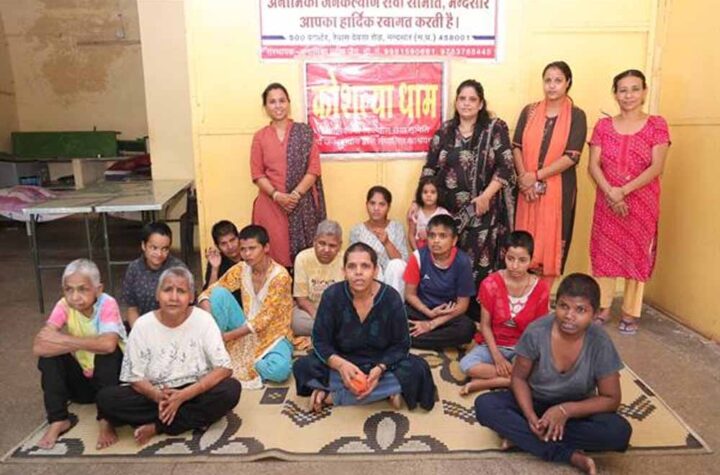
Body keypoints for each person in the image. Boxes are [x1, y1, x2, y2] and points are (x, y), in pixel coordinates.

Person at [474, 274, 632, 475]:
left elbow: (611, 399)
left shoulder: (600, 342)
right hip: (535, 403)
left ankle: (523, 439)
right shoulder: (537, 331)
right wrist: (531, 416)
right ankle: (568, 455)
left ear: (594, 314)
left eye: (580, 310)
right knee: (485, 405)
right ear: (555, 305)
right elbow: (519, 378)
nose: (569, 316)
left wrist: (565, 411)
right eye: (564, 306)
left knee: (619, 432)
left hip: (577, 411)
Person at [97, 267, 241, 446]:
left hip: (194, 390)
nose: (173, 297)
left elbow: (224, 368)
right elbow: (134, 377)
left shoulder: (204, 320)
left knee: (230, 390)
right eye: (167, 290)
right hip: (155, 393)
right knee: (106, 398)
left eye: (181, 291)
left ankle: (157, 426)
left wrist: (183, 396)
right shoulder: (142, 325)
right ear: (157, 295)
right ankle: (186, 418)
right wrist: (159, 397)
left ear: (191, 297)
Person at [415, 79, 516, 319]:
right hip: (448, 214)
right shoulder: (445, 132)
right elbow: (430, 168)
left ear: (481, 104)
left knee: (479, 265)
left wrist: (486, 196)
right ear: (456, 102)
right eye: (462, 98)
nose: (466, 103)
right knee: (448, 261)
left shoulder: (494, 129)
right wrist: (416, 202)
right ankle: (449, 313)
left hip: (482, 211)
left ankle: (478, 318)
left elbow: (506, 166)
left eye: (472, 99)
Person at [293, 243, 436, 412]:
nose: (358, 272)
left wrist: (380, 368)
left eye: (365, 266)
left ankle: (334, 397)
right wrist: (340, 365)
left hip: (380, 362)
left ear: (375, 271)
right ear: (344, 271)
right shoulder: (332, 295)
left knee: (419, 369)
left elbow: (401, 344)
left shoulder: (391, 297)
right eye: (352, 266)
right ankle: (385, 392)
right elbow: (319, 340)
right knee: (303, 366)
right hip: (342, 359)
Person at [588, 69, 670, 335]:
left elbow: (657, 166)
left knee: (636, 253)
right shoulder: (603, 126)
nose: (628, 95)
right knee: (604, 252)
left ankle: (630, 311)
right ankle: (602, 307)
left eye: (635, 89)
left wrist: (623, 191)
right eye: (622, 90)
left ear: (644, 92)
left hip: (641, 202)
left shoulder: (657, 125)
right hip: (607, 199)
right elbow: (593, 165)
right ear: (615, 94)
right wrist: (611, 193)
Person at [33, 259, 126, 450]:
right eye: (69, 290)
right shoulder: (64, 305)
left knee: (107, 353)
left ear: (98, 289)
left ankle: (106, 420)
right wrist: (68, 345)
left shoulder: (107, 303)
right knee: (49, 357)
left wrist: (63, 340)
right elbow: (39, 347)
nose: (75, 296)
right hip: (86, 382)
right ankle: (58, 419)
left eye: (83, 289)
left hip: (115, 384)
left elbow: (108, 345)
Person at [513, 61, 588, 289]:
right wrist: (524, 179)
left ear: (568, 83)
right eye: (548, 80)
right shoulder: (529, 112)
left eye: (558, 80)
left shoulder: (576, 116)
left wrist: (535, 175)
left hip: (558, 191)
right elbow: (516, 147)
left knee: (549, 243)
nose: (552, 85)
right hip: (526, 190)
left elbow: (572, 156)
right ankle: (522, 296)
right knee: (525, 240)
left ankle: (542, 298)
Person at [198, 225, 293, 389]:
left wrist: (226, 337)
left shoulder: (280, 276)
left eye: (252, 248)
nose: (247, 254)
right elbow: (208, 293)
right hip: (243, 327)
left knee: (280, 370)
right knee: (219, 294)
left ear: (266, 247)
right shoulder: (241, 269)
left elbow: (262, 321)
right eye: (243, 249)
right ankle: (218, 351)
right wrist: (211, 325)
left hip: (273, 334)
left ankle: (238, 362)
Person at [459, 231, 549, 394]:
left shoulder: (541, 288)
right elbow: (485, 326)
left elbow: (539, 331)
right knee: (466, 365)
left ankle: (485, 383)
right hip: (494, 344)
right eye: (510, 258)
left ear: (531, 259)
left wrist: (526, 356)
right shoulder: (490, 283)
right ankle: (512, 380)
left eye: (522, 260)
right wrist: (497, 357)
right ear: (504, 255)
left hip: (522, 348)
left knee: (541, 369)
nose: (515, 266)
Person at [251, 82, 327, 268]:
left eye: (282, 100)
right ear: (265, 107)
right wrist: (277, 196)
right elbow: (257, 173)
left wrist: (294, 196)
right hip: (271, 205)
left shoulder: (304, 132)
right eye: (272, 102)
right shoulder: (260, 137)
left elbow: (314, 169)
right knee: (273, 258)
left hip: (301, 205)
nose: (278, 106)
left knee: (302, 261)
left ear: (288, 103)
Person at [403, 214, 476, 349]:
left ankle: (409, 339)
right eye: (432, 236)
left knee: (467, 328)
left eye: (442, 236)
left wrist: (432, 324)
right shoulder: (418, 257)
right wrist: (428, 313)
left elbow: (462, 306)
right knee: (395, 317)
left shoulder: (463, 261)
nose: (436, 241)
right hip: (421, 310)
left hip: (447, 315)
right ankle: (429, 338)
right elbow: (409, 294)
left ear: (454, 240)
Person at [122, 221, 186, 328]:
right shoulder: (134, 269)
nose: (159, 254)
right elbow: (132, 308)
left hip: (173, 326)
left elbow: (186, 307)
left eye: (164, 249)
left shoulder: (178, 270)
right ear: (143, 245)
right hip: (143, 327)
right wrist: (138, 332)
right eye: (154, 248)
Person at [349, 186, 409, 297]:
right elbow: (353, 261)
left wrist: (387, 242)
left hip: (393, 280)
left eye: (382, 204)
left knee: (396, 264)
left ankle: (394, 305)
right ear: (366, 205)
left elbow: (402, 263)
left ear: (388, 207)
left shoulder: (396, 227)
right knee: (374, 267)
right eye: (372, 203)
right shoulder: (357, 230)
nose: (376, 208)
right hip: (369, 277)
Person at [292, 219, 344, 337]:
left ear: (340, 245)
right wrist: (318, 317)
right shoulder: (302, 258)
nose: (326, 250)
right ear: (314, 241)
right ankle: (335, 333)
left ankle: (329, 332)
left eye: (332, 246)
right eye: (322, 243)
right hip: (311, 311)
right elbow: (301, 299)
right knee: (296, 322)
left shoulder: (346, 259)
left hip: (337, 311)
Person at [203, 220, 242, 306]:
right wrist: (215, 268)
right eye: (224, 244)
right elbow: (208, 296)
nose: (230, 246)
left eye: (232, 240)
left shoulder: (249, 255)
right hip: (228, 308)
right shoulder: (217, 260)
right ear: (217, 246)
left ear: (239, 238)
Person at [407, 176, 450, 250]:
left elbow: (447, 235)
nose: (428, 195)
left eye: (433, 192)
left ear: (438, 194)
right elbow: (411, 235)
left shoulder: (443, 214)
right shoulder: (415, 213)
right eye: (425, 192)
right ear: (420, 194)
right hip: (420, 250)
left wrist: (429, 235)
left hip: (438, 250)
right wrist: (417, 253)